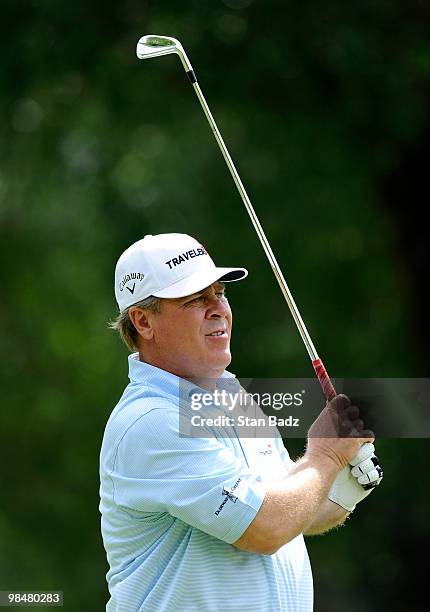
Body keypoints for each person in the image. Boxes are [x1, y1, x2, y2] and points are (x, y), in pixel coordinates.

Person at [99, 233, 383, 612]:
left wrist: (349, 481)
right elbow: (265, 528)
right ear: (143, 321)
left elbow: (295, 510)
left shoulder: (234, 399)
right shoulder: (150, 421)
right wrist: (326, 457)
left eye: (220, 293)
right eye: (196, 298)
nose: (218, 308)